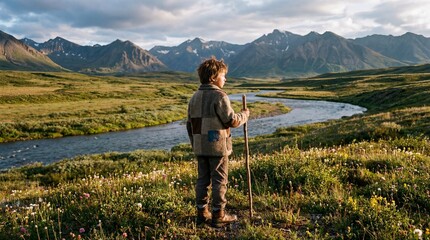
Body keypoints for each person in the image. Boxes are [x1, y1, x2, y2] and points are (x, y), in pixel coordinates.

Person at [186, 57, 250, 228]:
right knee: (219, 180)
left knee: (202, 180)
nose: (225, 79)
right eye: (223, 75)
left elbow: (189, 125)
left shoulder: (194, 97)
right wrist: (245, 114)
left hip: (200, 146)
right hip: (217, 146)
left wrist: (195, 143)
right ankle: (218, 215)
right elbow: (231, 121)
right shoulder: (219, 96)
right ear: (213, 77)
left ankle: (201, 213)